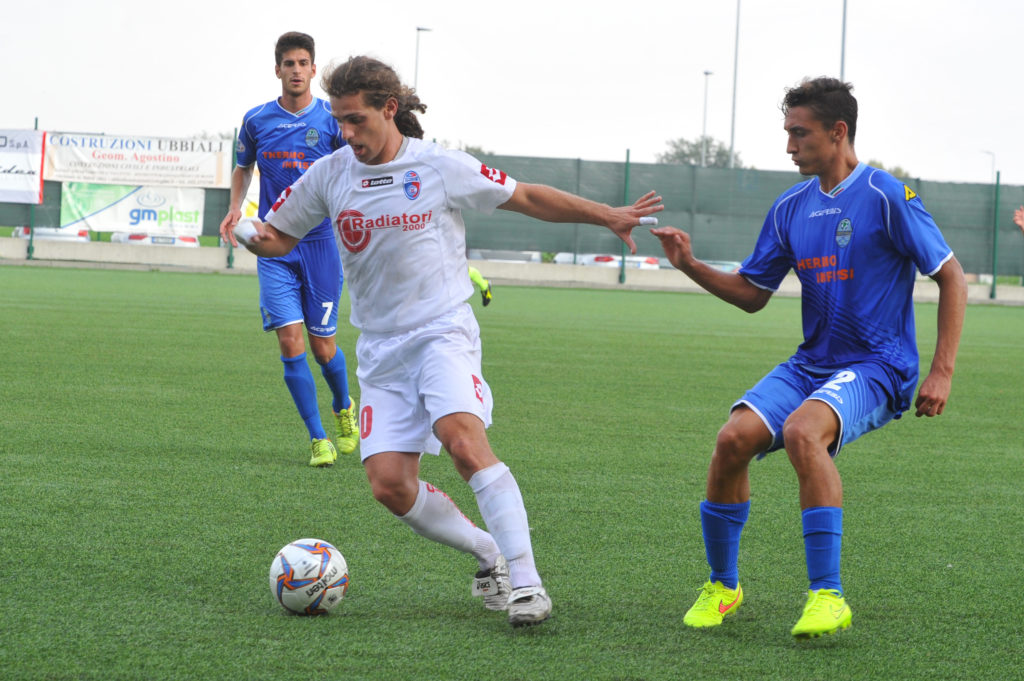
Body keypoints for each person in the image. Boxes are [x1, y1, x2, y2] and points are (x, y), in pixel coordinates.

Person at [233, 55, 663, 626]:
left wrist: (607, 213)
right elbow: (280, 238)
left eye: (357, 119)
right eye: (340, 120)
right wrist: (251, 234)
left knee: (462, 439)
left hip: (442, 332)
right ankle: (488, 555)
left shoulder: (437, 166)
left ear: (390, 110)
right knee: (389, 485)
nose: (347, 132)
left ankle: (528, 583)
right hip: (381, 350)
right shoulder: (330, 174)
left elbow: (528, 197)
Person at [651, 77, 966, 638]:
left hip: (879, 365)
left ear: (837, 132)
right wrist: (690, 266)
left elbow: (951, 275)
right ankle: (723, 587)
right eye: (788, 134)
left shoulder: (887, 195)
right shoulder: (790, 207)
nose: (790, 146)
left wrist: (941, 370)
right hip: (813, 362)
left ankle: (828, 596)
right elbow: (752, 295)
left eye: (800, 133)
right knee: (731, 440)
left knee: (802, 432)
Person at [220, 32, 358, 468]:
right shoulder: (257, 120)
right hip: (275, 244)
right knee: (290, 342)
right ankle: (318, 439)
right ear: (277, 69)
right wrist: (235, 208)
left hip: (320, 247)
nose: (296, 70)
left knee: (323, 348)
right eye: (289, 63)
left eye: (303, 63)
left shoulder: (333, 121)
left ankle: (343, 407)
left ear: (314, 70)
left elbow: (353, 171)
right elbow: (243, 167)